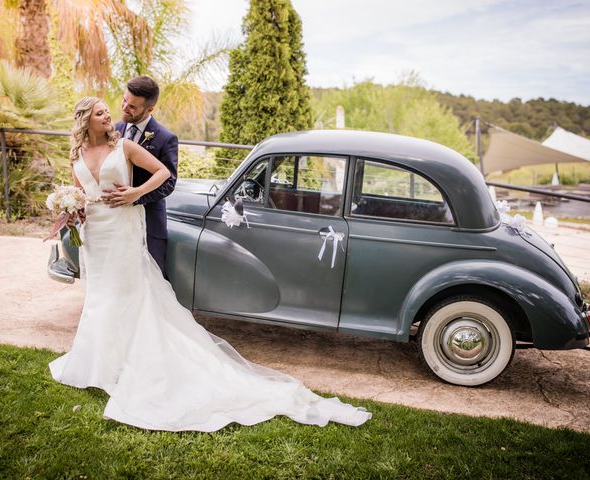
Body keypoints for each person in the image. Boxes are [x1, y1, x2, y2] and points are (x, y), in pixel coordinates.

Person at [49, 96, 371, 432]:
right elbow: (81, 192)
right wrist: (71, 209)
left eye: (106, 111)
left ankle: (134, 361)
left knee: (128, 292)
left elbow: (162, 172)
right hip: (95, 232)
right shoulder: (77, 154)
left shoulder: (126, 146)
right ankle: (99, 364)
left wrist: (134, 193)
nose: (108, 116)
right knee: (100, 295)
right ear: (86, 120)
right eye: (100, 113)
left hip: (123, 228)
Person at [103, 76, 178, 279]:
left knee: (151, 277)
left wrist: (136, 196)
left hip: (149, 219)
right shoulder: (112, 131)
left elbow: (169, 182)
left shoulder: (165, 138)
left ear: (150, 109)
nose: (126, 107)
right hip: (116, 219)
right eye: (125, 100)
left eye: (133, 106)